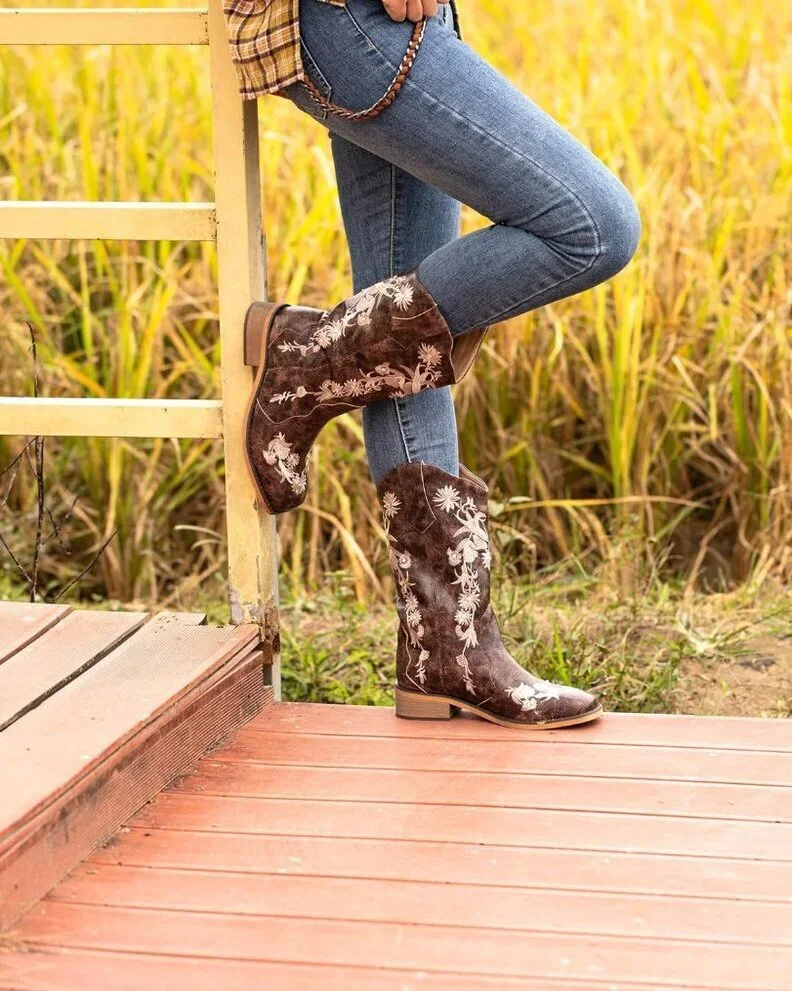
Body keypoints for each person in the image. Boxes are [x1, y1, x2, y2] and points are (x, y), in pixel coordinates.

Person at [224, 0, 640, 729]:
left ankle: (443, 651)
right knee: (594, 226)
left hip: (396, 18)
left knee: (403, 330)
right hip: (344, 16)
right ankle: (305, 363)